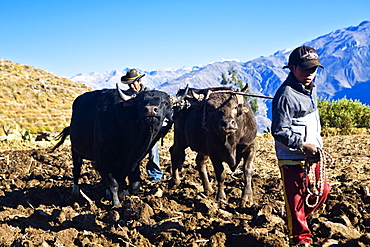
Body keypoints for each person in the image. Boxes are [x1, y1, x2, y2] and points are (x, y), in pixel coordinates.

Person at [271, 46, 331, 247]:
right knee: (296, 200)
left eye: (313, 69)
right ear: (293, 68)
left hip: (313, 155)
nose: (310, 74)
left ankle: (297, 221)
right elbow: (279, 131)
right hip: (292, 157)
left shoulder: (311, 89)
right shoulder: (285, 95)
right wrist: (303, 145)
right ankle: (299, 239)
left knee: (321, 191)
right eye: (305, 69)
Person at [121, 68, 163, 182]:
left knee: (153, 151)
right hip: (134, 129)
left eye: (133, 83)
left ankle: (155, 176)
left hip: (149, 128)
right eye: (129, 85)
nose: (131, 87)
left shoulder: (150, 93)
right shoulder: (127, 95)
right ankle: (132, 176)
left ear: (139, 81)